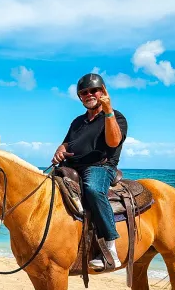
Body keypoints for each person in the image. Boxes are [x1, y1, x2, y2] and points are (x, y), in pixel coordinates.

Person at [51, 73, 128, 272]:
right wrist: (60, 148)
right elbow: (67, 141)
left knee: (93, 189)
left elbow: (113, 142)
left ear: (103, 91)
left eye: (93, 90)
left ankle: (110, 247)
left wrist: (108, 110)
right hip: (73, 166)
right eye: (84, 92)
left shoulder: (116, 117)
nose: (89, 94)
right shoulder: (78, 121)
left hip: (101, 167)